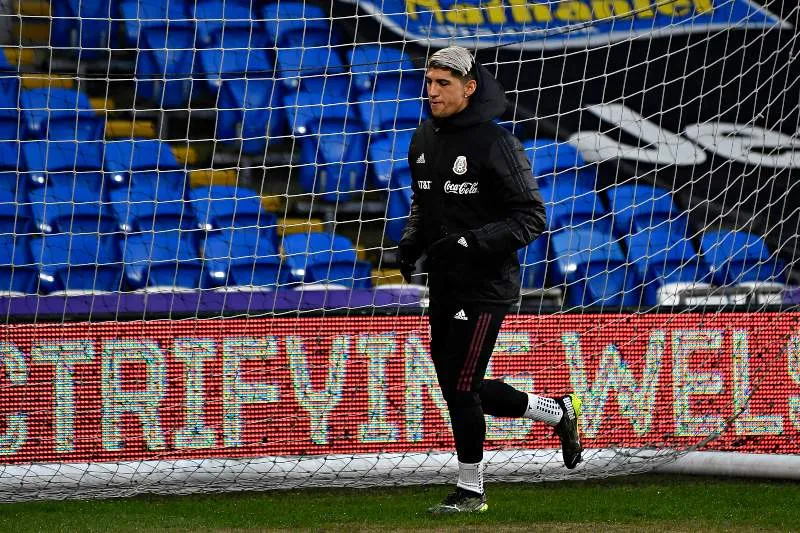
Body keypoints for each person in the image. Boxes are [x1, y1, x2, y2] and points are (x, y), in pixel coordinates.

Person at [398, 46, 583, 514]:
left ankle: (471, 491)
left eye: (443, 83)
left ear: (469, 87)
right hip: (444, 283)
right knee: (462, 387)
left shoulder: (498, 143)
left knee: (462, 388)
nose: (433, 91)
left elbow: (530, 217)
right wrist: (411, 243)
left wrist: (470, 243)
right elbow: (425, 203)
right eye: (430, 81)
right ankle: (557, 412)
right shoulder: (422, 137)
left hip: (487, 286)